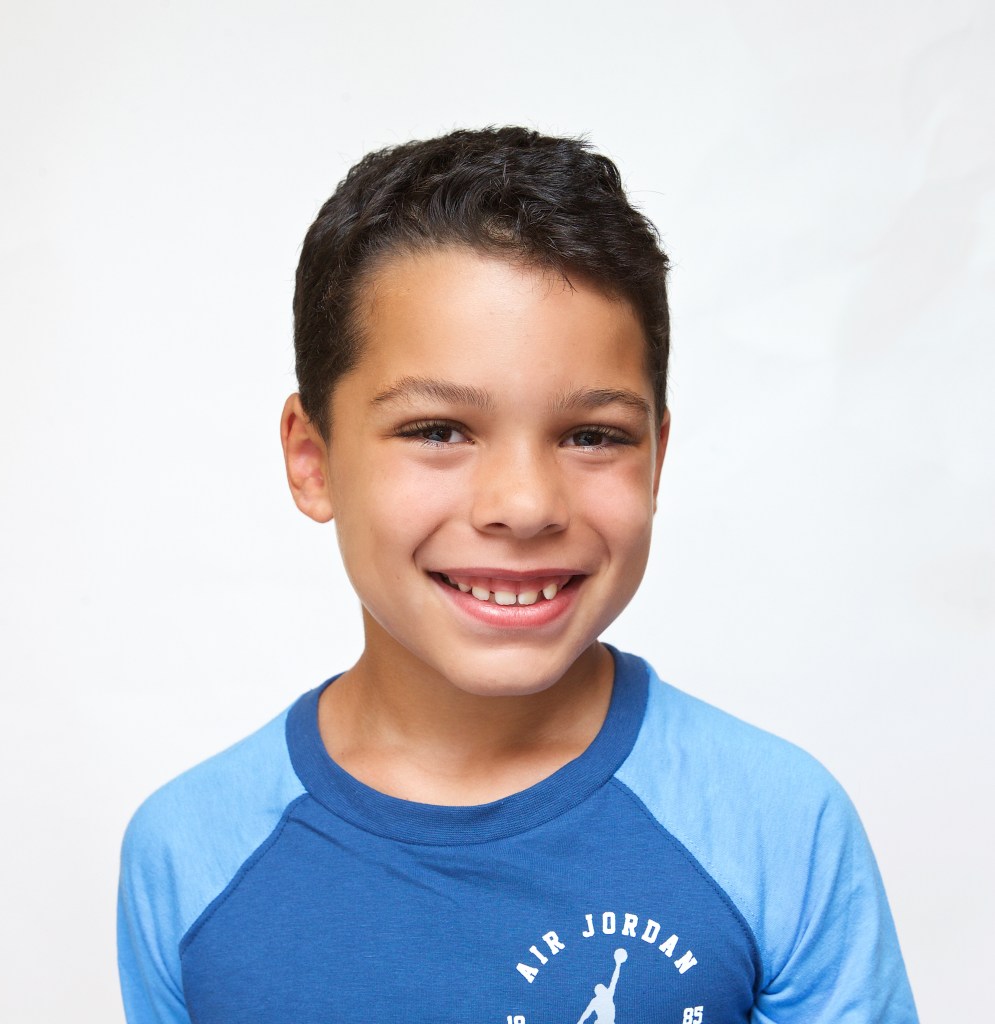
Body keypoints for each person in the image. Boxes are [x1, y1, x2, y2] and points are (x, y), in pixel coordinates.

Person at [117, 127, 918, 1023]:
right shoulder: (191, 855)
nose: (525, 504)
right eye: (437, 430)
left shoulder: (775, 825)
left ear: (656, 458)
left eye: (592, 436)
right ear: (312, 460)